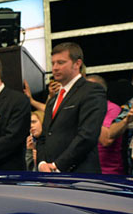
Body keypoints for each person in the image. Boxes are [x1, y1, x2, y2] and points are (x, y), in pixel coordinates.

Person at [35, 42, 106, 173]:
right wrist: (42, 163)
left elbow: (87, 136)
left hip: (80, 176)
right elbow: (44, 136)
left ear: (77, 64)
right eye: (53, 63)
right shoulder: (53, 100)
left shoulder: (92, 91)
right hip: (51, 176)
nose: (55, 68)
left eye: (61, 62)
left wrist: (58, 165)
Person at [89, 74, 126, 175]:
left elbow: (106, 140)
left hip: (108, 174)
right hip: (86, 171)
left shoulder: (112, 108)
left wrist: (87, 115)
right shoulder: (82, 110)